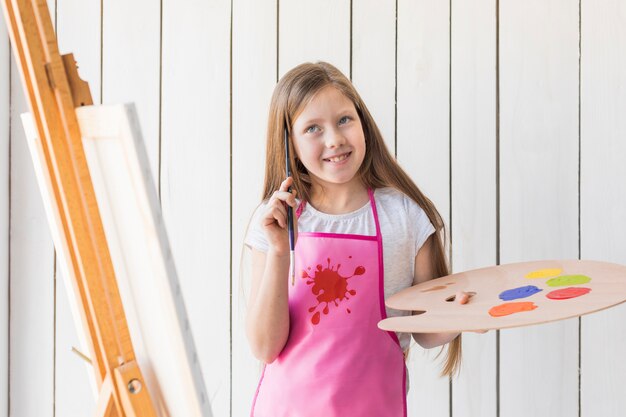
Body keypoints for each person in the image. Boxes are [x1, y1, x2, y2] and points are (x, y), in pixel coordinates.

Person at [244, 61, 473, 417]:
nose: (334, 139)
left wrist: (468, 315)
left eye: (344, 120)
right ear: (289, 143)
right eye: (313, 128)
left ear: (363, 121)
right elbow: (264, 346)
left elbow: (426, 329)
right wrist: (277, 252)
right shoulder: (276, 220)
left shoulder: (405, 217)